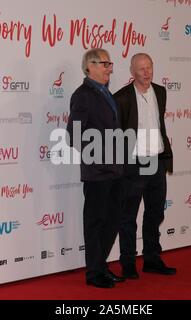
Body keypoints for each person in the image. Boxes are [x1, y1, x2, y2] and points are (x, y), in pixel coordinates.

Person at [113, 53, 176, 279]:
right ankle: (128, 263)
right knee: (128, 216)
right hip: (134, 165)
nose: (146, 72)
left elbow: (161, 125)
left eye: (149, 67)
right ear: (132, 72)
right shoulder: (121, 98)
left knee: (155, 213)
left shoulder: (160, 91)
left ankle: (152, 259)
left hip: (157, 161)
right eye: (141, 69)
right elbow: (116, 136)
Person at [66, 48, 124, 288]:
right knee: (95, 222)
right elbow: (74, 134)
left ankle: (101, 266)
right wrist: (100, 159)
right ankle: (93, 274)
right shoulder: (83, 95)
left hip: (116, 170)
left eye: (110, 64)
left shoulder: (105, 93)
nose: (109, 68)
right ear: (89, 66)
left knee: (113, 220)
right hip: (98, 171)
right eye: (105, 64)